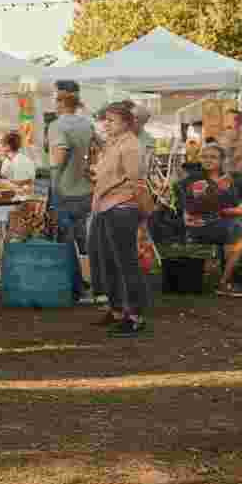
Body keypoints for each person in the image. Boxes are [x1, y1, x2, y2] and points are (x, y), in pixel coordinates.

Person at [90, 102, 149, 338]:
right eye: (105, 119)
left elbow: (137, 182)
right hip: (106, 206)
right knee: (108, 262)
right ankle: (116, 310)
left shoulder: (131, 146)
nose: (106, 124)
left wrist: (145, 214)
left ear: (127, 123)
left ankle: (134, 316)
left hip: (122, 207)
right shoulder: (112, 144)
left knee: (126, 263)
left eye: (111, 120)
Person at [176, 143, 242, 298]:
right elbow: (194, 207)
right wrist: (217, 189)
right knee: (241, 229)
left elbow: (232, 203)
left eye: (213, 157)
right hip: (200, 225)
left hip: (220, 222)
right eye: (204, 157)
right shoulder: (194, 179)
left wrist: (224, 190)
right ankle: (225, 282)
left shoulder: (226, 178)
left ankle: (237, 274)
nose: (208, 160)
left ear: (221, 161)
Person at [48, 80, 94, 302]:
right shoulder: (87, 124)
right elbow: (98, 150)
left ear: (60, 101)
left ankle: (76, 288)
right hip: (85, 188)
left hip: (64, 189)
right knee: (84, 239)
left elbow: (59, 155)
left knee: (65, 239)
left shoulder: (57, 125)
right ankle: (94, 284)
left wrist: (53, 175)